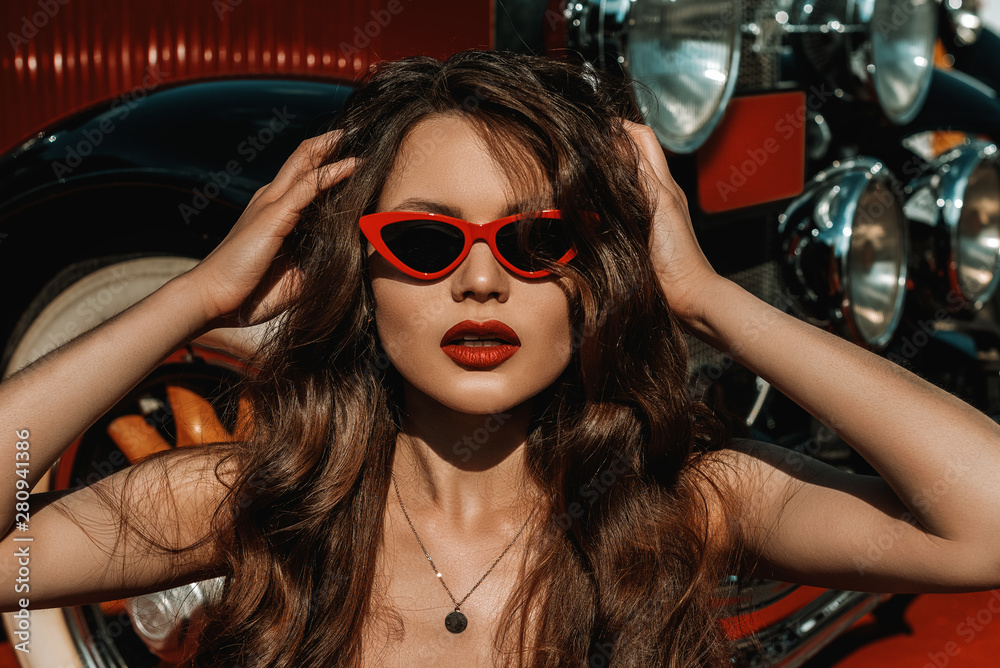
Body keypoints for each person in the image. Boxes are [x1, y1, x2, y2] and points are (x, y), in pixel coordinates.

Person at [2, 48, 999, 668]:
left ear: (590, 274)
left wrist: (705, 296)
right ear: (364, 274)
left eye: (532, 243)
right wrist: (195, 295)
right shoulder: (253, 499)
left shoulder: (683, 499)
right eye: (427, 244)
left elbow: (984, 521)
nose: (481, 281)